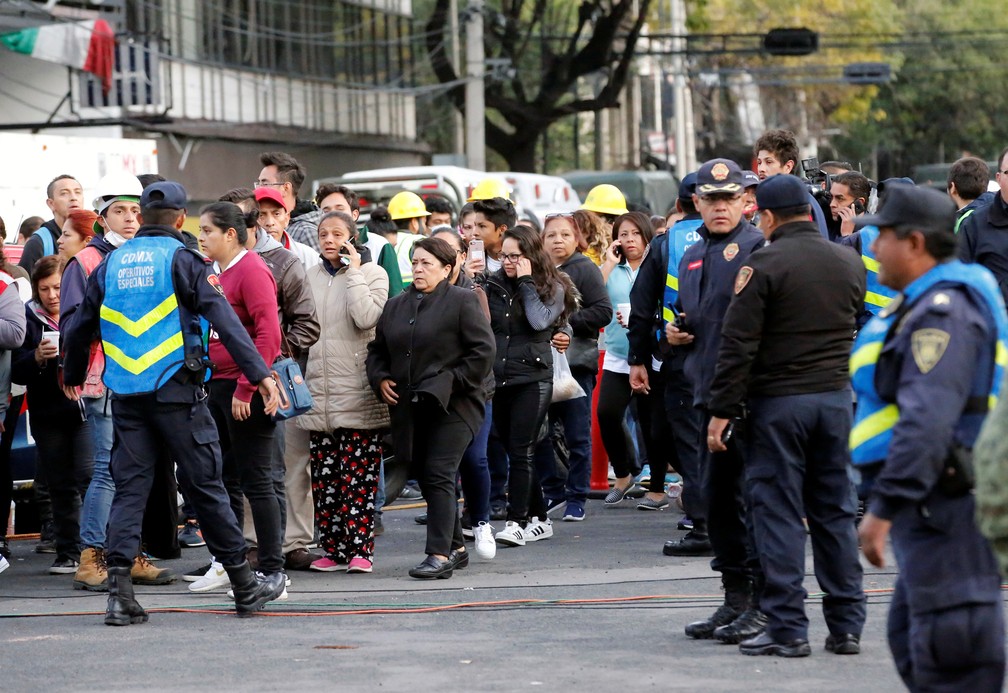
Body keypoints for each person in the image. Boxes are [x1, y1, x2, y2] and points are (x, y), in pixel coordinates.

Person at [60, 181, 285, 625]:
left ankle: (119, 595)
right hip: (178, 393)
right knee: (206, 486)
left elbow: (80, 325)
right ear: (182, 220)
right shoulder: (184, 260)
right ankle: (243, 585)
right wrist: (259, 375)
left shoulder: (111, 263)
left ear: (141, 216)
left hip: (125, 394)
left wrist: (70, 376)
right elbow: (226, 321)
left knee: (130, 490)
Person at [706, 174, 867, 657]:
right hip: (835, 401)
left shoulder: (763, 265)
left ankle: (789, 627)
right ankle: (846, 625)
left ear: (769, 217)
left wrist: (721, 411)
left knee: (777, 514)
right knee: (835, 512)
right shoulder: (848, 260)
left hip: (779, 404)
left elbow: (738, 347)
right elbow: (854, 318)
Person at [853, 183, 1006, 690]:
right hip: (932, 507)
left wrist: (881, 512)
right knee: (912, 637)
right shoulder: (922, 303)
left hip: (947, 506)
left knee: (951, 653)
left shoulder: (942, 311)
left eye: (882, 237)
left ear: (915, 243)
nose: (873, 248)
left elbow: (928, 421)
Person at [656, 158, 767, 642]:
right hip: (701, 391)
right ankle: (733, 599)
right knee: (717, 505)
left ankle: (762, 605)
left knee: (750, 505)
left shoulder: (758, 248)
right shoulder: (692, 254)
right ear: (696, 203)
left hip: (744, 400)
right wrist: (676, 332)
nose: (720, 207)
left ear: (746, 201)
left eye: (729, 199)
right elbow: (698, 317)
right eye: (711, 199)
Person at [367, 237, 494, 578]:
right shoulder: (396, 305)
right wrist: (380, 378)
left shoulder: (463, 301)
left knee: (438, 471)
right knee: (426, 475)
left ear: (447, 268)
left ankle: (439, 554)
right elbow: (378, 350)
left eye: (427, 263)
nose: (419, 269)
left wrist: (450, 381)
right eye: (416, 262)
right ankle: (455, 546)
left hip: (456, 406)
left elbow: (482, 353)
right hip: (411, 406)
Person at [188, 202, 284, 594]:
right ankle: (229, 562)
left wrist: (249, 385)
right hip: (216, 386)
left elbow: (268, 335)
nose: (202, 236)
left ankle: (274, 571)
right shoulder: (214, 273)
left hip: (246, 390)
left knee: (257, 480)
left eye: (208, 230)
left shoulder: (253, 270)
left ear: (231, 233)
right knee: (221, 478)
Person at [297, 211, 389, 574]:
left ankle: (360, 549)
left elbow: (366, 318)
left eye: (338, 234)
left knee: (358, 479)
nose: (329, 239)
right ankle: (333, 549)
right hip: (319, 389)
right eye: (323, 234)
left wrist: (353, 271)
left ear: (353, 238)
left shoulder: (373, 274)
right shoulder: (309, 276)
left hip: (356, 387)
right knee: (325, 479)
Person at [478, 225, 577, 546]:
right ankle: (541, 518)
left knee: (521, 450)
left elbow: (539, 320)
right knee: (515, 449)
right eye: (504, 255)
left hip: (533, 379)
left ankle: (516, 521)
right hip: (500, 378)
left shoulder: (553, 286)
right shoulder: (492, 285)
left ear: (531, 256)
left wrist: (524, 282)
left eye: (515, 256)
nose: (508, 262)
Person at [626, 173, 705, 528]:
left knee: (686, 434)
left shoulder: (664, 243)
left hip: (677, 353)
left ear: (678, 206)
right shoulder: (743, 236)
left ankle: (700, 515)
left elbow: (641, 308)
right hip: (731, 355)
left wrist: (637, 359)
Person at [536, 212, 611, 522]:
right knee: (539, 433)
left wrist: (564, 326)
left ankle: (577, 496)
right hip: (539, 365)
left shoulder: (584, 269)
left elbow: (603, 311)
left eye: (565, 234)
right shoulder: (535, 271)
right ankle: (553, 490)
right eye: (552, 234)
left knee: (578, 433)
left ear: (577, 238)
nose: (558, 240)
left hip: (575, 365)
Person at [13, 257, 85, 575]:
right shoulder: (28, 317)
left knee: (90, 475)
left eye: (57, 287)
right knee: (59, 483)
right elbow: (16, 367)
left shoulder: (82, 310)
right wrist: (37, 358)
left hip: (84, 407)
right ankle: (68, 551)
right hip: (47, 411)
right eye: (45, 289)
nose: (53, 295)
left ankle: (98, 548)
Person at [431, 228, 497, 559]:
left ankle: (481, 521)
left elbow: (481, 351)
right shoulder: (414, 295)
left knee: (474, 457)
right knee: (441, 467)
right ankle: (453, 538)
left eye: (447, 251)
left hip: (472, 392)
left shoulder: (472, 294)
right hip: (434, 393)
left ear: (458, 259)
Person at [596, 212, 665, 507]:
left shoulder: (657, 265)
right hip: (617, 352)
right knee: (607, 413)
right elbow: (590, 295)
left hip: (651, 355)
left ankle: (658, 489)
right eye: (623, 234)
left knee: (653, 422)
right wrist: (609, 263)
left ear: (646, 235)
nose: (629, 240)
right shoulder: (614, 268)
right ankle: (623, 475)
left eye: (635, 233)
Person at [315, 183, 403, 295]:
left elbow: (394, 297)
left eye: (340, 210)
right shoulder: (316, 248)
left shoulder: (379, 245)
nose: (333, 216)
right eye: (326, 212)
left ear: (355, 215)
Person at [19, 176, 84, 273]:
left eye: (77, 192)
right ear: (51, 203)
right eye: (64, 193)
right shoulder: (38, 243)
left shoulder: (95, 236)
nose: (73, 198)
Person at [255, 187, 318, 268]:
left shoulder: (308, 257)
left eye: (276, 214)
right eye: (261, 215)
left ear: (287, 218)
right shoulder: (239, 258)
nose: (270, 223)